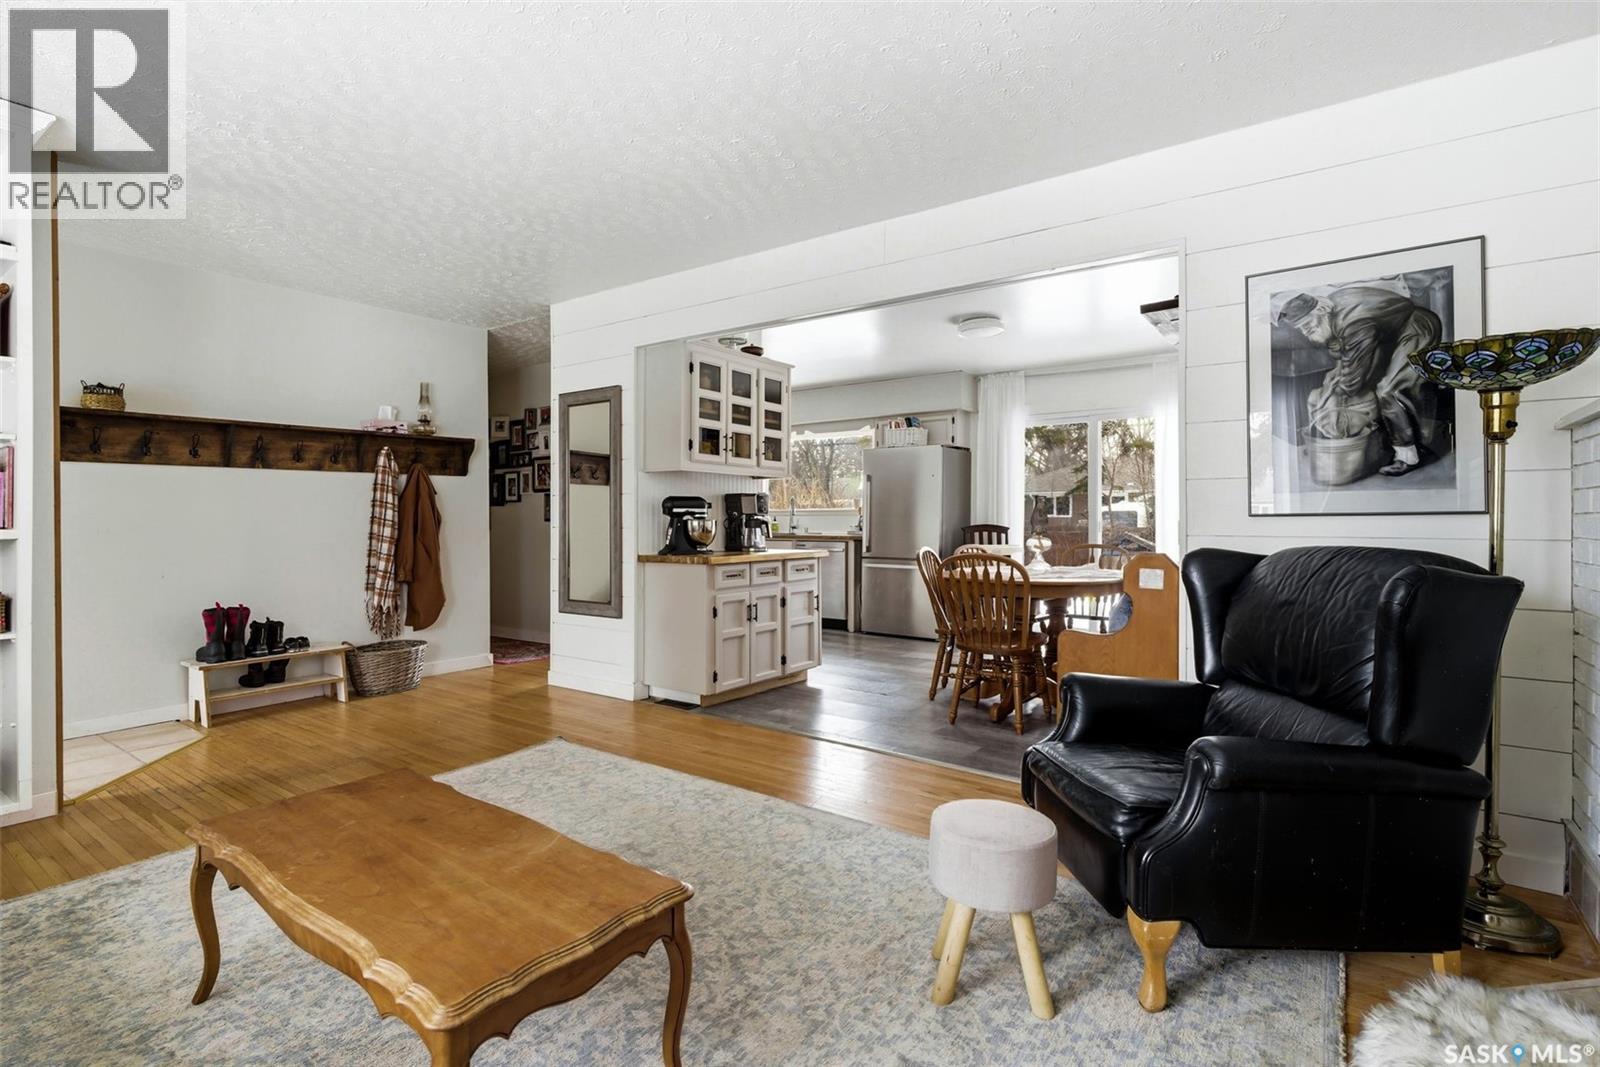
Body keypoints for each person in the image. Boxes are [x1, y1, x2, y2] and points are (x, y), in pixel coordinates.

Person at [1277, 285, 1442, 476]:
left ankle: (1409, 456)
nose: (1305, 332)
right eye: (1301, 328)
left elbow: (1353, 376)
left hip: (1417, 329)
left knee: (1389, 390)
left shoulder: (1353, 323)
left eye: (1306, 324)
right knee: (1368, 383)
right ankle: (1405, 441)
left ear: (1320, 310)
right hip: (1394, 332)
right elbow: (1342, 353)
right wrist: (1334, 382)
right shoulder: (1332, 312)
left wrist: (1333, 396)